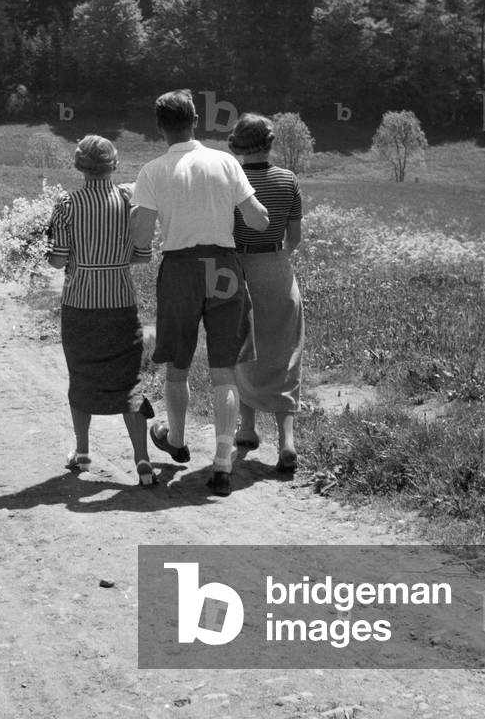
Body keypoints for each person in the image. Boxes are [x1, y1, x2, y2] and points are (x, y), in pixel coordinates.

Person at [130, 90, 269, 497]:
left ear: (160, 128)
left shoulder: (153, 170)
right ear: (196, 119)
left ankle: (175, 439)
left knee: (178, 363)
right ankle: (223, 462)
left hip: (180, 270)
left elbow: (141, 236)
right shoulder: (226, 161)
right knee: (224, 368)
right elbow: (258, 221)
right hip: (224, 266)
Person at [47, 135, 157, 487]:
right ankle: (142, 460)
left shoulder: (67, 204)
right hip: (121, 302)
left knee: (81, 377)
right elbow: (142, 256)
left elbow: (57, 259)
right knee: (130, 382)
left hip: (80, 303)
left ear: (79, 166)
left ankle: (82, 454)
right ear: (113, 165)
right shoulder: (128, 200)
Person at [227, 114, 305, 473]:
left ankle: (246, 428)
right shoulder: (287, 179)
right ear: (271, 142)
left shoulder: (230, 181)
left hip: (240, 270)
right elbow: (294, 238)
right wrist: (277, 257)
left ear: (238, 144)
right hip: (276, 268)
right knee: (285, 353)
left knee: (242, 349)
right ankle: (287, 441)